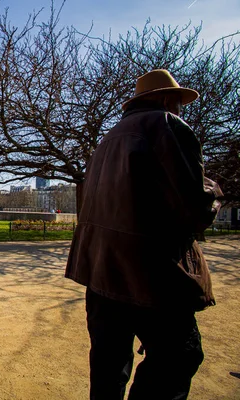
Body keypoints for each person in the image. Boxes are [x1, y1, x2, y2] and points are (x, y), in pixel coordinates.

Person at [65, 69, 223, 400]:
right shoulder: (166, 125)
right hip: (152, 274)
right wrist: (213, 191)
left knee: (108, 366)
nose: (180, 108)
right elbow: (195, 208)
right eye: (178, 101)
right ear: (167, 99)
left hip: (101, 272)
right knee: (179, 358)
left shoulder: (107, 139)